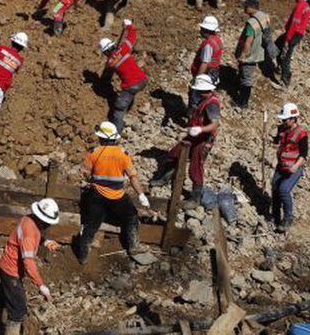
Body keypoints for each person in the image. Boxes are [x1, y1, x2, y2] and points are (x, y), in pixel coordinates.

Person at [78, 122, 150, 264]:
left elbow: (85, 173)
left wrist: (93, 179)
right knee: (131, 215)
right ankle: (134, 246)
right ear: (115, 138)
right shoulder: (123, 154)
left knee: (91, 225)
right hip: (117, 196)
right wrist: (141, 195)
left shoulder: (94, 153)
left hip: (97, 196)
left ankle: (83, 256)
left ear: (101, 138)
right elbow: (133, 177)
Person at [150, 74, 220, 208]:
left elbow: (214, 125)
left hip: (203, 140)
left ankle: (195, 198)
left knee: (195, 167)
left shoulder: (212, 104)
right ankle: (164, 178)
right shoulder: (204, 99)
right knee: (174, 154)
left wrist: (200, 129)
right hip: (195, 137)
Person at [0, 198, 60, 335]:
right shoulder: (30, 233)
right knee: (18, 311)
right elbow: (29, 262)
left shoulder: (29, 219)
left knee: (10, 302)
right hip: (10, 271)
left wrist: (45, 241)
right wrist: (41, 285)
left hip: (9, 267)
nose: (49, 225)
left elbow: (31, 237)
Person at [99, 20, 148, 132]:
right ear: (113, 45)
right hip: (142, 80)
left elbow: (109, 70)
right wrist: (129, 25)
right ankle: (128, 114)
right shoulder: (124, 48)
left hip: (131, 85)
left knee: (118, 108)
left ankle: (115, 133)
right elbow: (132, 36)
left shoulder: (111, 62)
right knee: (127, 97)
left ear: (105, 52)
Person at [272, 103, 307, 233]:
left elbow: (304, 154)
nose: (283, 121)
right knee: (275, 188)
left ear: (293, 119)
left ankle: (287, 218)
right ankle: (275, 217)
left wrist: (296, 166)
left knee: (284, 190)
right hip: (281, 166)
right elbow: (277, 143)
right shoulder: (282, 129)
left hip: (294, 168)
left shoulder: (301, 133)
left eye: (285, 119)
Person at [235, 0, 270, 110]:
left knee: (247, 78)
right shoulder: (264, 16)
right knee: (246, 76)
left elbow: (248, 42)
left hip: (251, 54)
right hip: (259, 51)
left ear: (251, 7)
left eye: (246, 6)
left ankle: (243, 103)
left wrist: (243, 56)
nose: (244, 8)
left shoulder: (251, 23)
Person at [278, 0, 310, 86]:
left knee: (285, 56)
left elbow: (294, 26)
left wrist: (287, 40)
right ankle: (281, 69)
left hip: (294, 34)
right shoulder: (304, 4)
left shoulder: (300, 7)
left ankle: (284, 81)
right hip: (297, 34)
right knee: (278, 46)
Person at [189, 16, 223, 111]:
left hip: (206, 73)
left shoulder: (208, 44)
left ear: (205, 30)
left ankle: (196, 116)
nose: (200, 30)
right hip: (213, 72)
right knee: (208, 93)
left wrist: (198, 78)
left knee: (197, 96)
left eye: (202, 28)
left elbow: (205, 63)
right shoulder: (217, 40)